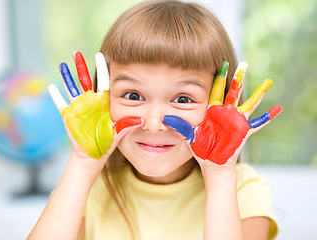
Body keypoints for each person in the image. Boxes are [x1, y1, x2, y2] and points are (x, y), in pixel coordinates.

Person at [28, 0, 282, 239]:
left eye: (183, 99)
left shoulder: (243, 193)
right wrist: (82, 164)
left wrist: (219, 175)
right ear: (103, 99)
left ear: (223, 104)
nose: (153, 123)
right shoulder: (86, 190)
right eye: (133, 95)